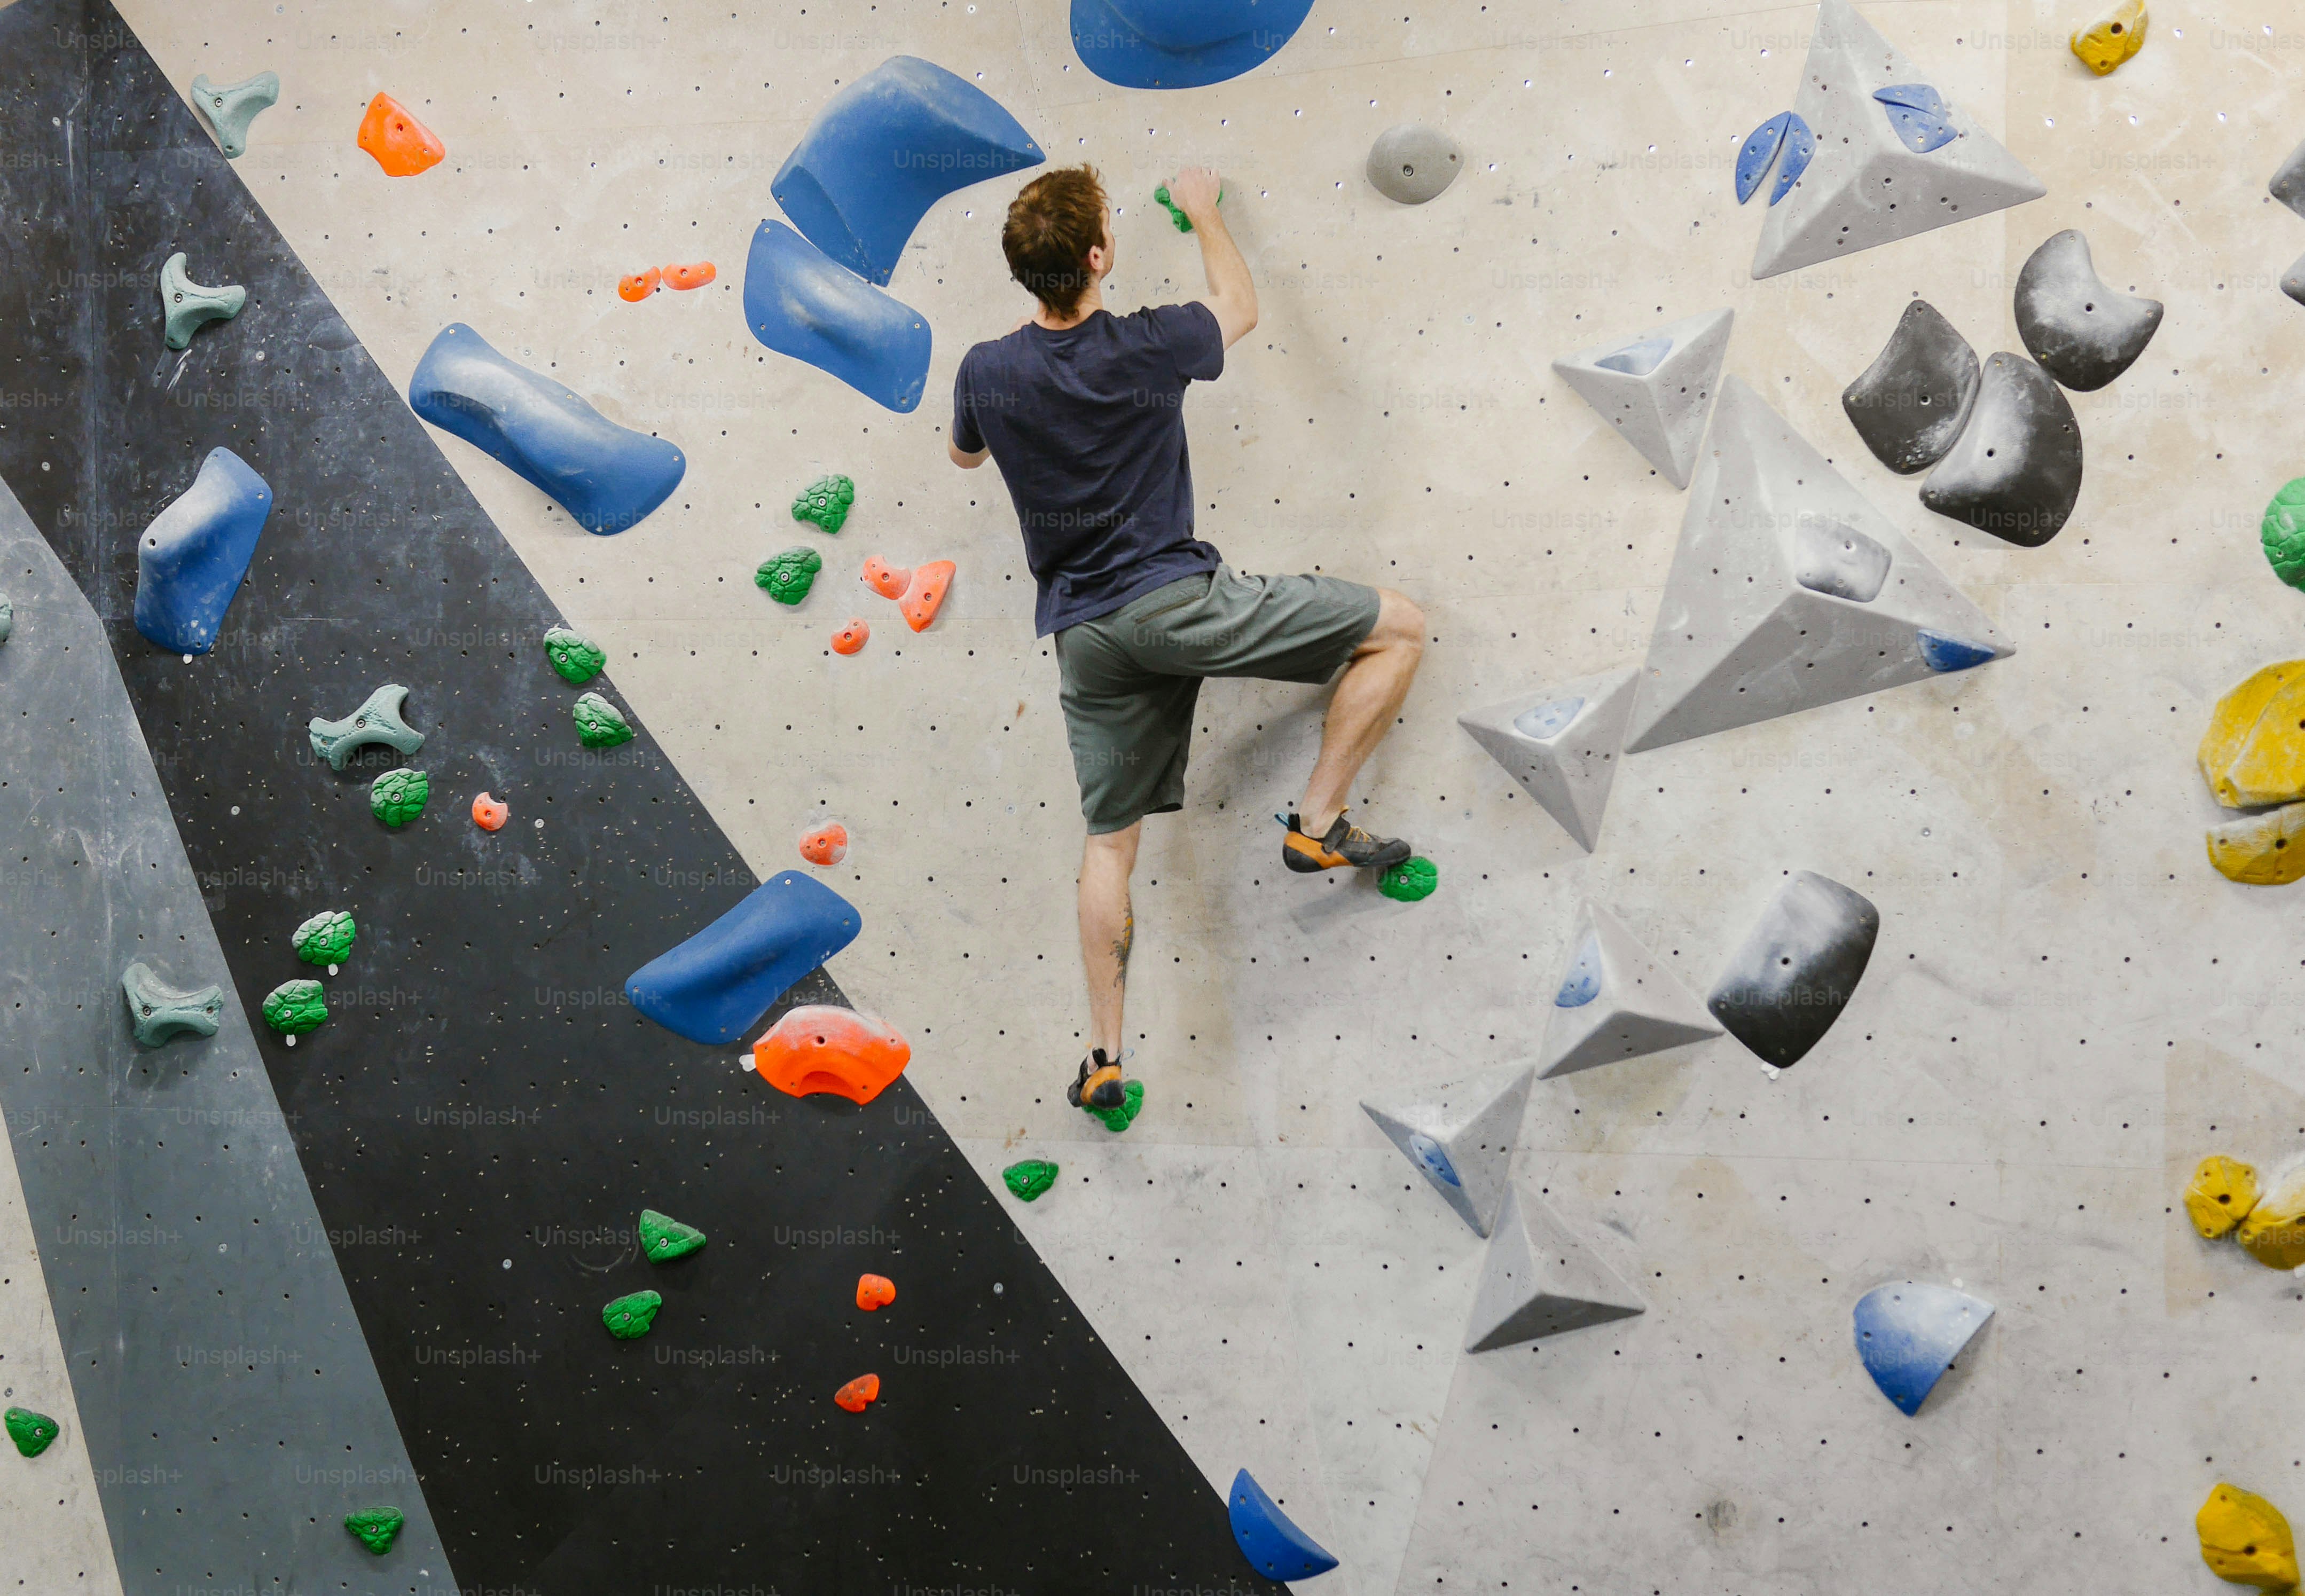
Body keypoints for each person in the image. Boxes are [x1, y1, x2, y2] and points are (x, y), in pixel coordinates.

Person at [947, 163, 1425, 1124]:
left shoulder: (984, 370)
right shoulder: (1149, 343)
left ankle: (1104, 1060)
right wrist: (1207, 209)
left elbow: (964, 453)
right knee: (1400, 627)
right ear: (1098, 255)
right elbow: (1238, 305)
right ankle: (1320, 823)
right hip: (1174, 602)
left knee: (1109, 846)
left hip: (1084, 637)